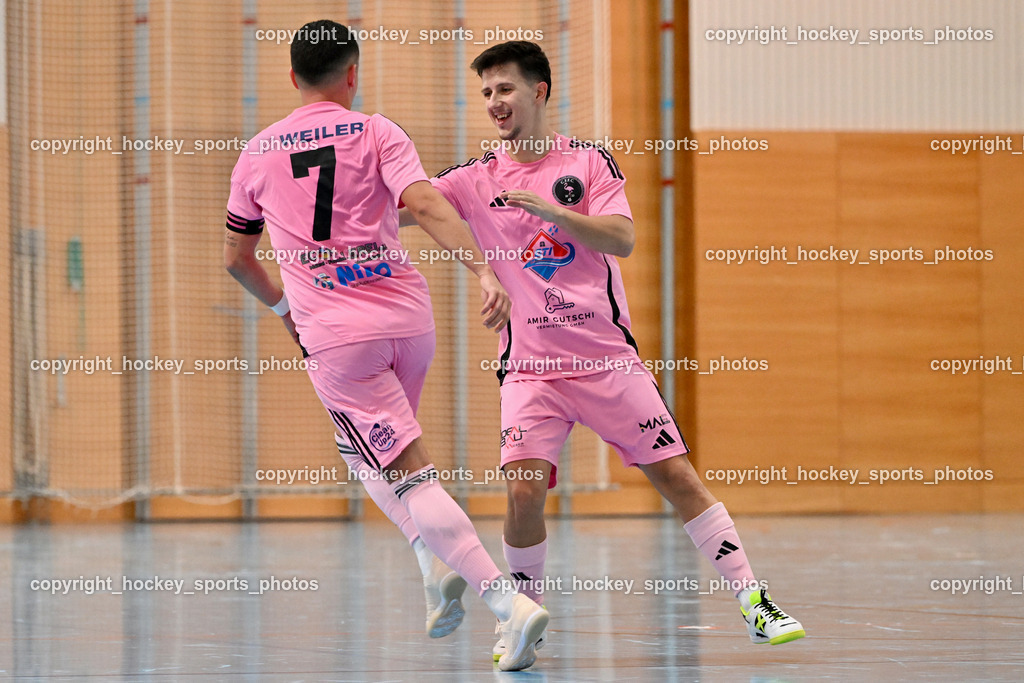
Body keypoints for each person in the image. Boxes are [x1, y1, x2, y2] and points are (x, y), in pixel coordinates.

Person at [405, 41, 806, 657]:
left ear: (538, 91)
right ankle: (519, 619)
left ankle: (755, 601)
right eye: (485, 93)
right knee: (522, 491)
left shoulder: (588, 164)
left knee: (676, 476)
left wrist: (553, 213)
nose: (494, 103)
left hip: (606, 360)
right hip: (532, 369)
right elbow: (409, 209)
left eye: (505, 89)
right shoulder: (472, 179)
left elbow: (621, 238)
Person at [221, 20, 547, 671]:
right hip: (408, 321)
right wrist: (483, 270)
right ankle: (432, 566)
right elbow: (425, 204)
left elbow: (237, 258)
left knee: (408, 471)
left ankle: (507, 603)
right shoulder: (377, 129)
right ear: (352, 74)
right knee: (373, 453)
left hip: (337, 338)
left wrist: (285, 306)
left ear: (291, 78)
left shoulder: (258, 151)